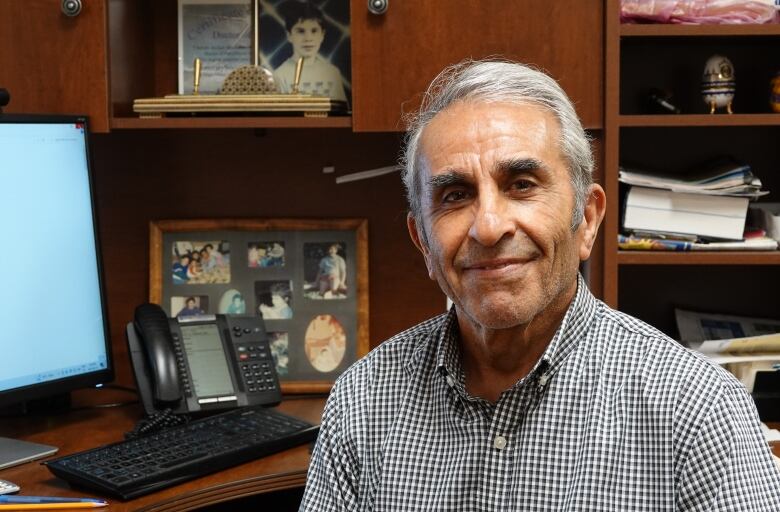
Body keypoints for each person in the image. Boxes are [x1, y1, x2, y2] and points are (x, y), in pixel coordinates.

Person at [299, 59, 780, 510]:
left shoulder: (698, 410)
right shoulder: (362, 401)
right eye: (455, 194)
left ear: (587, 220)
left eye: (522, 185)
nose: (488, 227)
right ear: (422, 240)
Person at [272, 1, 347, 103]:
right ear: (289, 35)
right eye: (301, 31)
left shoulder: (332, 73)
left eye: (314, 31)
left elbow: (341, 115)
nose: (308, 38)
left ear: (322, 35)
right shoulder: (280, 75)